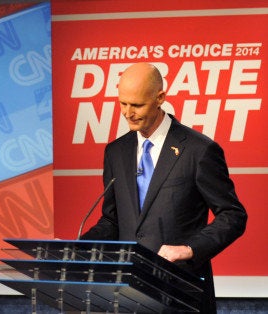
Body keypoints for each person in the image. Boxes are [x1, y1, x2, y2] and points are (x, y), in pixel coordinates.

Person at [79, 62, 247, 313]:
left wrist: (190, 249)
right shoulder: (116, 151)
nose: (127, 113)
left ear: (160, 98)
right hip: (127, 294)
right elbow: (113, 220)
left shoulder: (198, 150)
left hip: (181, 293)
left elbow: (233, 215)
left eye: (137, 105)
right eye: (122, 103)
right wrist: (78, 247)